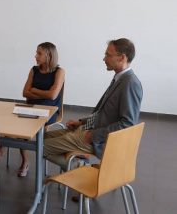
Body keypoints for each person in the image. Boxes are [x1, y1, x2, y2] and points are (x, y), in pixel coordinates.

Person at [43, 38, 143, 170]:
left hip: (96, 139)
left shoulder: (130, 83)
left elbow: (127, 124)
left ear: (122, 58)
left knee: (40, 146)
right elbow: (103, 113)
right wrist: (81, 122)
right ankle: (75, 164)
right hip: (88, 130)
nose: (104, 58)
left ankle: (75, 166)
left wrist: (93, 136)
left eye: (108, 55)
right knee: (43, 138)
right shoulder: (120, 79)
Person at [18, 42, 65, 177]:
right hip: (31, 107)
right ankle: (25, 161)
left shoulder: (59, 71)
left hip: (49, 110)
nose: (35, 56)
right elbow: (25, 92)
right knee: (20, 131)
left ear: (49, 55)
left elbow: (53, 95)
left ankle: (40, 159)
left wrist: (34, 90)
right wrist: (42, 92)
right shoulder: (34, 69)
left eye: (39, 53)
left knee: (37, 129)